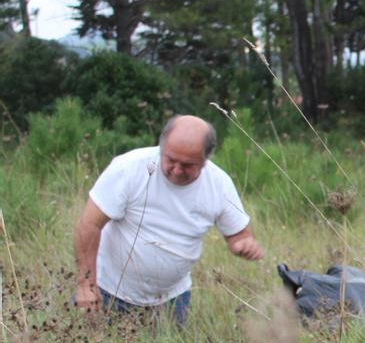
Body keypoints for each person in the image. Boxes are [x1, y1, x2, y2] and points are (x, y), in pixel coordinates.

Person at [73, 115, 264, 325]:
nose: (176, 170)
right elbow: (90, 224)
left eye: (187, 165)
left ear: (205, 160)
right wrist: (86, 285)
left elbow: (238, 234)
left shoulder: (219, 184)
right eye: (170, 160)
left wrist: (243, 244)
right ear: (161, 147)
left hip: (171, 301)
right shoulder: (128, 168)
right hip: (108, 292)